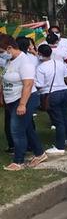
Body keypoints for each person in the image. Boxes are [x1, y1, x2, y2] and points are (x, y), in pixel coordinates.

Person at [0, 34, 47, 171]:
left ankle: (18, 161)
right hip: (11, 99)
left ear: (9, 48)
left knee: (16, 130)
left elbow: (28, 84)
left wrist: (22, 104)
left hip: (25, 99)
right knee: (26, 128)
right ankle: (40, 153)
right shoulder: (10, 61)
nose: (1, 55)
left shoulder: (24, 61)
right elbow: (5, 78)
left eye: (1, 52)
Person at [35, 44, 67, 155]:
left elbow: (39, 84)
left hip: (51, 95)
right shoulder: (59, 63)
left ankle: (60, 147)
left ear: (39, 54)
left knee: (58, 122)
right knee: (65, 118)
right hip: (64, 92)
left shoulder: (40, 68)